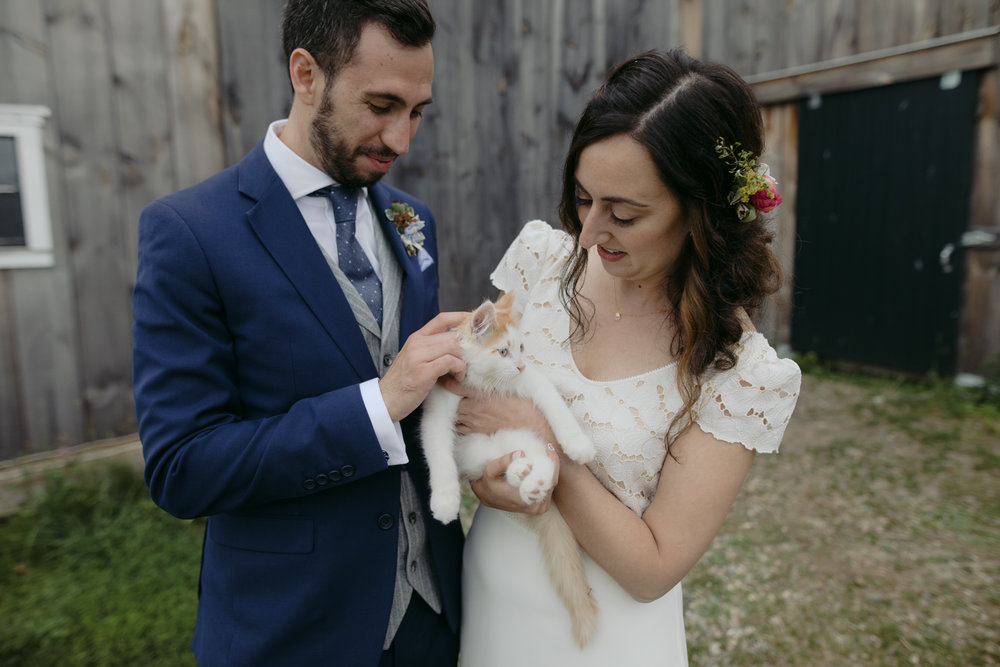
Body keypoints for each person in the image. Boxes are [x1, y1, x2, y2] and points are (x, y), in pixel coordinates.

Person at [130, 2, 466, 665]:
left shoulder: (410, 218)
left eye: (418, 111)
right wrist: (379, 403)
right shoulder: (190, 232)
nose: (401, 139)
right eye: (381, 105)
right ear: (306, 74)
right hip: (294, 632)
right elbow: (182, 467)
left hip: (436, 617)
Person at [454, 49, 802, 665]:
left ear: (703, 212)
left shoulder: (740, 374)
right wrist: (483, 468)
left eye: (624, 214)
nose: (588, 234)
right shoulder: (540, 262)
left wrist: (547, 448)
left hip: (605, 637)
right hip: (487, 597)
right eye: (584, 198)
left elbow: (653, 569)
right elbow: (476, 391)